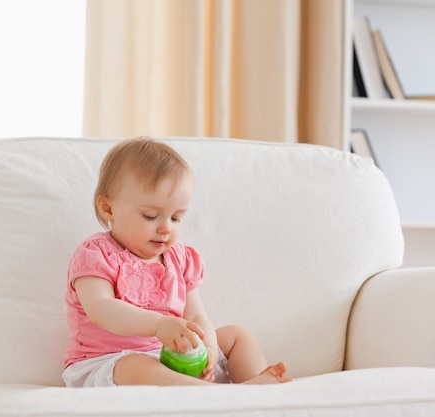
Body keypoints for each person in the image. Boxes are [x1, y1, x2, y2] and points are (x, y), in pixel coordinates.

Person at [62, 137, 291, 387]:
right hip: (109, 362)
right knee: (135, 365)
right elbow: (101, 309)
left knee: (237, 336)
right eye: (150, 216)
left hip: (172, 356)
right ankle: (217, 395)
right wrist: (159, 325)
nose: (165, 228)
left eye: (176, 218)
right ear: (108, 209)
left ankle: (255, 386)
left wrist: (209, 347)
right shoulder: (96, 254)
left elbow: (196, 315)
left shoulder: (179, 259)